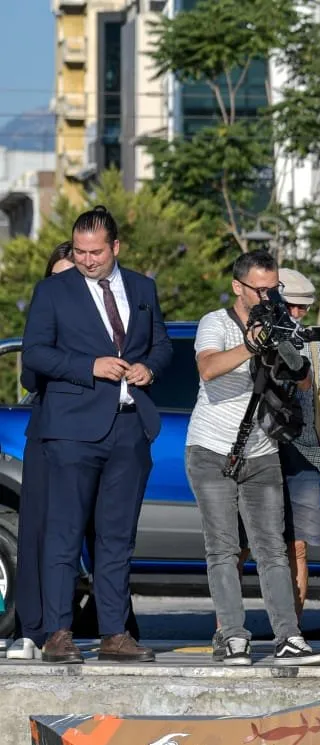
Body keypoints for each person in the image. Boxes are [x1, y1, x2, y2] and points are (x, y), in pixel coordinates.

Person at [22, 206, 172, 664]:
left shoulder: (143, 289)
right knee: (63, 536)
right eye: (81, 251)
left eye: (96, 252)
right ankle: (58, 632)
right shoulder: (53, 291)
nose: (87, 260)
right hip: (71, 431)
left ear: (116, 247)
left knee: (116, 538)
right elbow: (35, 353)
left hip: (129, 428)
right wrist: (89, 367)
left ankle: (114, 632)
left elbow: (164, 344)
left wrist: (151, 367)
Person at [186, 250, 320, 667]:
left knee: (273, 550)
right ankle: (232, 636)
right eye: (260, 290)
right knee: (223, 549)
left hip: (262, 452)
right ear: (238, 287)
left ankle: (288, 637)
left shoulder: (281, 321)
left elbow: (302, 381)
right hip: (211, 449)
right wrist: (250, 344)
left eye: (273, 289)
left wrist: (286, 342)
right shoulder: (215, 322)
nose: (267, 297)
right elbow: (208, 369)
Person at [10, 243, 78, 661]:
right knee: (36, 532)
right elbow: (32, 375)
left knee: (99, 536)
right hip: (48, 433)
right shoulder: (44, 317)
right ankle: (31, 630)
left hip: (101, 434)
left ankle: (116, 627)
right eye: (58, 278)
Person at [275, 267, 320, 624]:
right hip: (259, 450)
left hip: (304, 452)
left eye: (303, 308)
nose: (296, 315)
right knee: (242, 545)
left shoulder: (315, 343)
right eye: (290, 306)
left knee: (298, 546)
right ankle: (227, 631)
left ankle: (292, 628)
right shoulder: (254, 336)